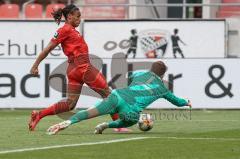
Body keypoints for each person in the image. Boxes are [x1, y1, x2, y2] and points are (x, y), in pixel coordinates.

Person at [28, 4, 127, 132]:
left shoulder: (70, 30)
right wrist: (35, 65)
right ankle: (119, 127)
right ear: (69, 17)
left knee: (70, 104)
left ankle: (39, 115)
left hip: (73, 69)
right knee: (109, 95)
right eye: (77, 16)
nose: (79, 19)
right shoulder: (65, 30)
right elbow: (48, 49)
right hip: (83, 67)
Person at [47, 61, 192, 135]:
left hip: (116, 95)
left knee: (90, 112)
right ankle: (106, 125)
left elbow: (130, 76)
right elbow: (176, 102)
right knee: (132, 120)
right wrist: (186, 102)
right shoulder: (163, 88)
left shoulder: (141, 74)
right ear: (162, 75)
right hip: (130, 108)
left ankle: (67, 121)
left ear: (150, 69)